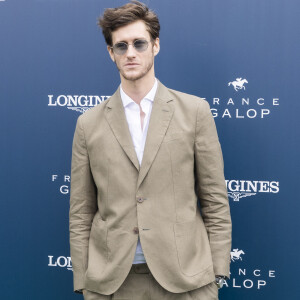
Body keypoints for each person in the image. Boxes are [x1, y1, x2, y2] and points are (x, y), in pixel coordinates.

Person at [69, 1, 232, 299]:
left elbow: (214, 198)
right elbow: (81, 211)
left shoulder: (195, 112)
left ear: (155, 46)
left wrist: (218, 271)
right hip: (113, 283)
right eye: (121, 46)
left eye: (139, 43)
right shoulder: (87, 123)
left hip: (186, 281)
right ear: (111, 53)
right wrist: (84, 281)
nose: (130, 53)